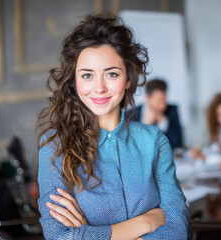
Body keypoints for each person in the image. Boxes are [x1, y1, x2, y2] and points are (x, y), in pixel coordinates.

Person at [36, 13, 189, 240]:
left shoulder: (154, 141)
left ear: (128, 78)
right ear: (74, 81)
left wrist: (90, 233)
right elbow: (58, 236)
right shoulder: (54, 145)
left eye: (111, 74)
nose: (99, 88)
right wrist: (146, 221)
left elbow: (177, 228)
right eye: (87, 75)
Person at [128, 79, 183, 149]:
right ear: (147, 98)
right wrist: (146, 125)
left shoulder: (172, 111)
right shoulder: (131, 114)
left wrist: (163, 122)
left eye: (164, 100)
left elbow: (178, 144)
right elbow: (130, 146)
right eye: (159, 101)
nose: (163, 105)